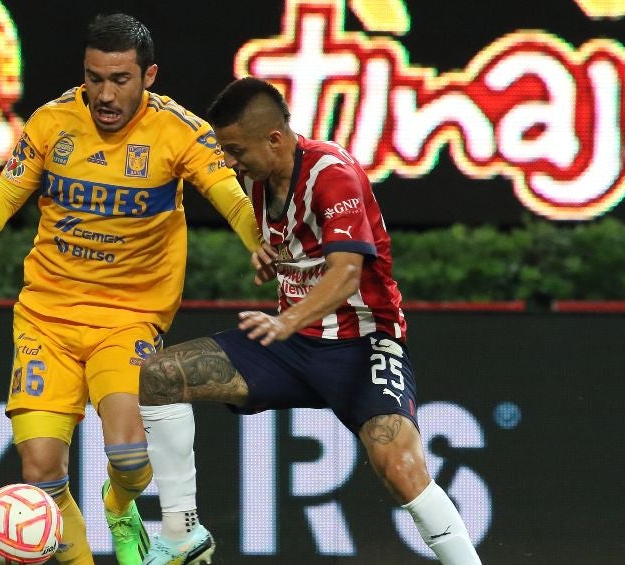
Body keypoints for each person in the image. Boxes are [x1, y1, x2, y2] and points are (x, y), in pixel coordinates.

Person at [0, 14, 261, 565]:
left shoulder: (179, 131)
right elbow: (5, 193)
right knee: (41, 470)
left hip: (128, 317)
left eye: (120, 79)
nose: (105, 94)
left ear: (149, 76)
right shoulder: (52, 123)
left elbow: (232, 197)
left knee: (131, 457)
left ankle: (118, 507)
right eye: (94, 78)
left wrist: (260, 243)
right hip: (47, 317)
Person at [138, 77, 483, 565]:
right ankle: (180, 533)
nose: (231, 163)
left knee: (400, 466)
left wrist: (286, 321)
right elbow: (301, 250)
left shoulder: (332, 173)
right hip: (295, 346)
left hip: (363, 345)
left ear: (274, 139)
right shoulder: (260, 182)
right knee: (160, 376)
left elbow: (346, 273)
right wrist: (270, 260)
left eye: (237, 150)